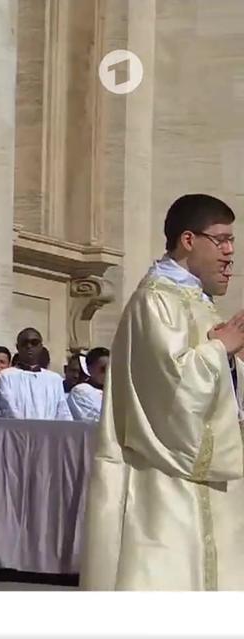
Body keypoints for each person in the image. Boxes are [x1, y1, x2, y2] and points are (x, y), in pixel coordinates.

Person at [82, 193, 244, 590]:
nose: (230, 253)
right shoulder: (155, 300)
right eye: (221, 240)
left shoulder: (196, 301)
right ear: (188, 240)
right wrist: (221, 350)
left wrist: (233, 361)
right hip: (164, 481)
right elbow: (169, 390)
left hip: (201, 481)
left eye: (232, 242)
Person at [0, 328, 71, 420]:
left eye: (34, 343)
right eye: (24, 343)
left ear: (41, 347)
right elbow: (7, 408)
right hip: (17, 428)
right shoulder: (6, 376)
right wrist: (29, 427)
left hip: (49, 429)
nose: (29, 346)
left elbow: (62, 411)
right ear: (17, 347)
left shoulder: (54, 379)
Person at [67, 347, 109, 422]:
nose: (108, 373)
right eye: (103, 369)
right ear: (89, 369)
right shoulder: (81, 391)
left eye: (110, 369)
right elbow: (93, 420)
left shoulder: (115, 391)